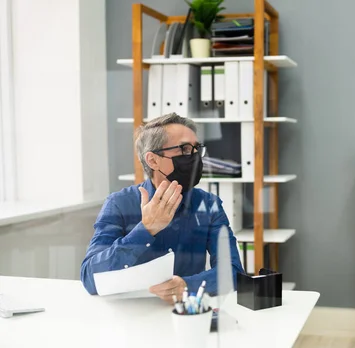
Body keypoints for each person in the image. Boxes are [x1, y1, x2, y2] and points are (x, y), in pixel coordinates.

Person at [81, 113, 244, 302]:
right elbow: (90, 278)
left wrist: (187, 286)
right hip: (131, 317)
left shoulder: (207, 205)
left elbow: (233, 272)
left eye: (197, 149)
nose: (194, 157)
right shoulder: (119, 204)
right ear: (153, 160)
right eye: (184, 149)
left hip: (186, 314)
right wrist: (146, 229)